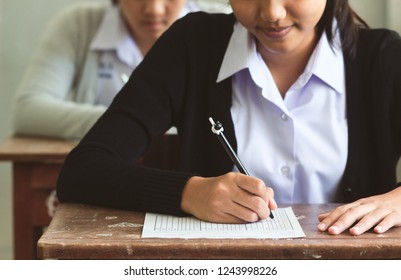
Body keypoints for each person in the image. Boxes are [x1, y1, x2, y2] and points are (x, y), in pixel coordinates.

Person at [57, 0, 401, 236]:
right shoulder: (191, 45)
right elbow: (83, 170)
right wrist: (189, 193)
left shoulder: (384, 57)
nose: (272, 13)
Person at [13, 0, 198, 141]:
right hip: (101, 178)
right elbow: (28, 110)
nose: (154, 9)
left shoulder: (221, 27)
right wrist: (129, 121)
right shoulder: (80, 24)